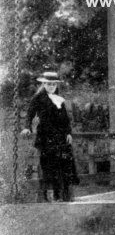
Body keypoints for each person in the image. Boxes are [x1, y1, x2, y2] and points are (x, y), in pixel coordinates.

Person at [21, 71, 79, 202]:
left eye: (53, 84)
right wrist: (27, 127)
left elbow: (65, 119)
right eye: (48, 84)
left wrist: (69, 132)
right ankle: (47, 196)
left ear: (56, 85)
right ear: (43, 84)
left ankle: (62, 195)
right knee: (48, 166)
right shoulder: (38, 98)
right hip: (46, 136)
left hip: (61, 137)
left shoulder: (59, 99)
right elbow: (30, 114)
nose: (51, 86)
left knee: (64, 165)